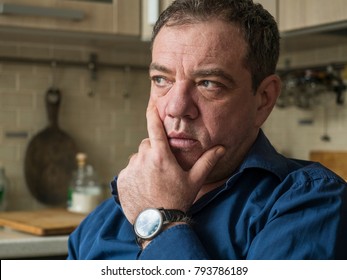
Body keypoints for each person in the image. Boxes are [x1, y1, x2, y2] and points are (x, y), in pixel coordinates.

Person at [67, 0, 347, 260]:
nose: (176, 107)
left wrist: (158, 222)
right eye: (162, 79)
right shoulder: (108, 216)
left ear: (263, 99)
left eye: (208, 83)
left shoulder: (311, 202)